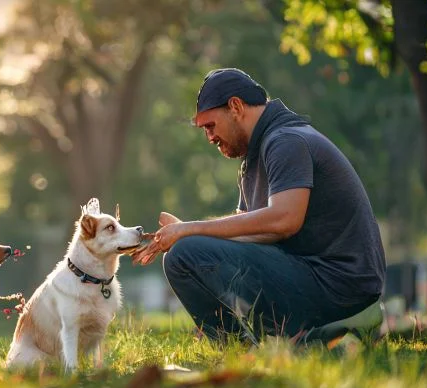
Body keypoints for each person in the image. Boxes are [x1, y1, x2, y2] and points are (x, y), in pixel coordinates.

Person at [132, 68, 387, 345]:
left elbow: (285, 220)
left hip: (339, 288)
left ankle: (242, 349)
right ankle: (249, 347)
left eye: (210, 126)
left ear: (236, 106)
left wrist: (189, 231)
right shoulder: (257, 154)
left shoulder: (286, 141)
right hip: (315, 279)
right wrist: (189, 233)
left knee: (183, 255)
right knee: (185, 254)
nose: (210, 137)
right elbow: (245, 233)